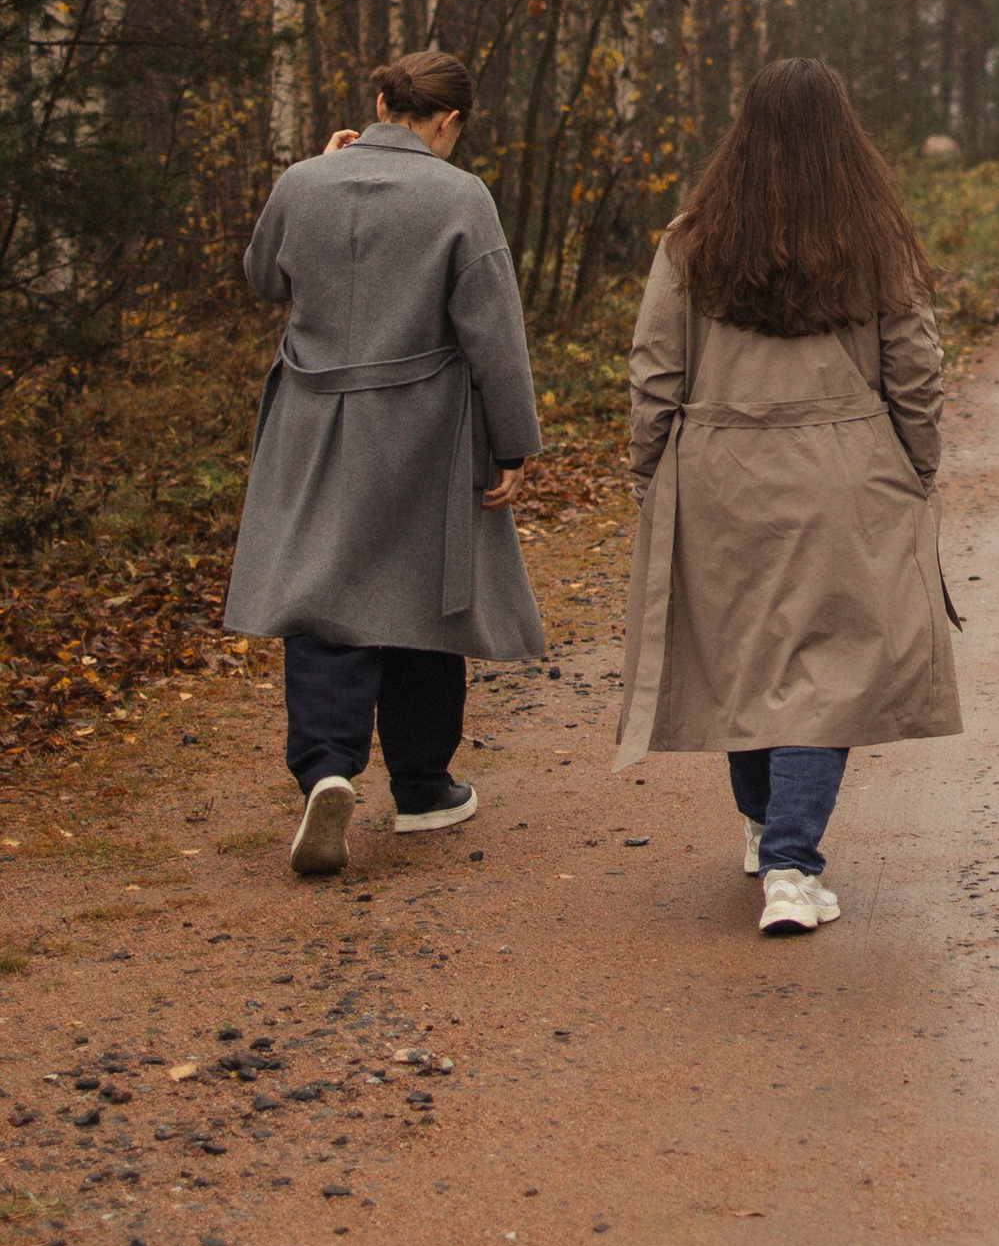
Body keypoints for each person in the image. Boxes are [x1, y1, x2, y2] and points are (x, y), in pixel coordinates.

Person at [620, 58, 959, 936]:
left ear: (745, 134)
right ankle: (791, 865)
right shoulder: (875, 239)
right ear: (843, 134)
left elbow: (656, 368)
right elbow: (915, 369)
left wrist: (649, 471)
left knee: (743, 657)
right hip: (844, 473)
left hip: (719, 470)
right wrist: (918, 468)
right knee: (823, 668)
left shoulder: (691, 241)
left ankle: (770, 834)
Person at [225, 49, 545, 880]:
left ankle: (326, 767)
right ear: (449, 121)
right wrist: (510, 444)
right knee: (422, 587)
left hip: (311, 417)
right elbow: (493, 335)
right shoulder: (459, 195)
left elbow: (263, 277)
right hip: (420, 424)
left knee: (319, 590)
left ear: (376, 101)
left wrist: (313, 179)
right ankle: (422, 787)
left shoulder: (302, 182)